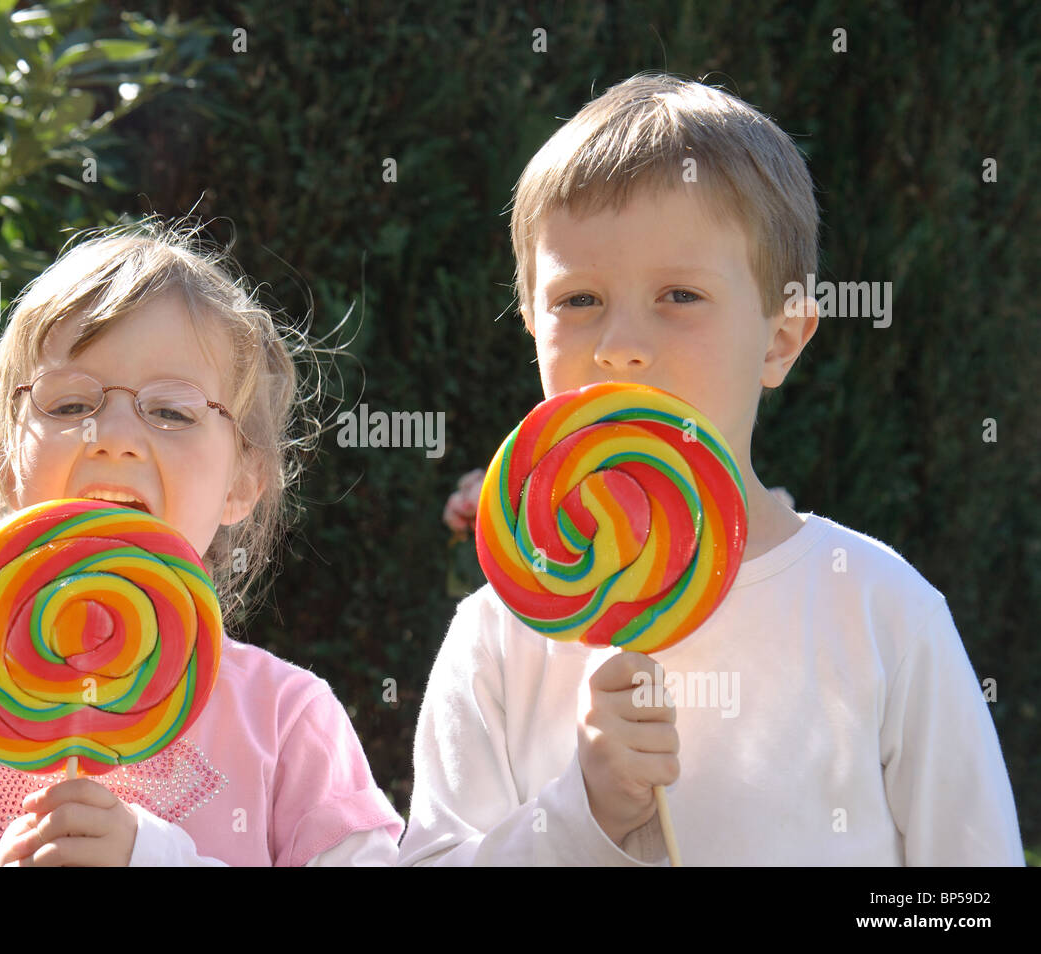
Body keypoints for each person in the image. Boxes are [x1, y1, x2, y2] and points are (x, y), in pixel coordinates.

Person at [399, 74, 1025, 866]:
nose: (620, 343)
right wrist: (580, 810)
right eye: (579, 299)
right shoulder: (501, 636)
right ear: (530, 324)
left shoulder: (877, 609)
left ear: (780, 339)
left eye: (680, 295)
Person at [0, 221, 403, 866]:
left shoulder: (286, 721)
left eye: (172, 411)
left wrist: (159, 860)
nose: (113, 435)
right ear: (8, 460)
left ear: (243, 481)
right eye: (69, 406)